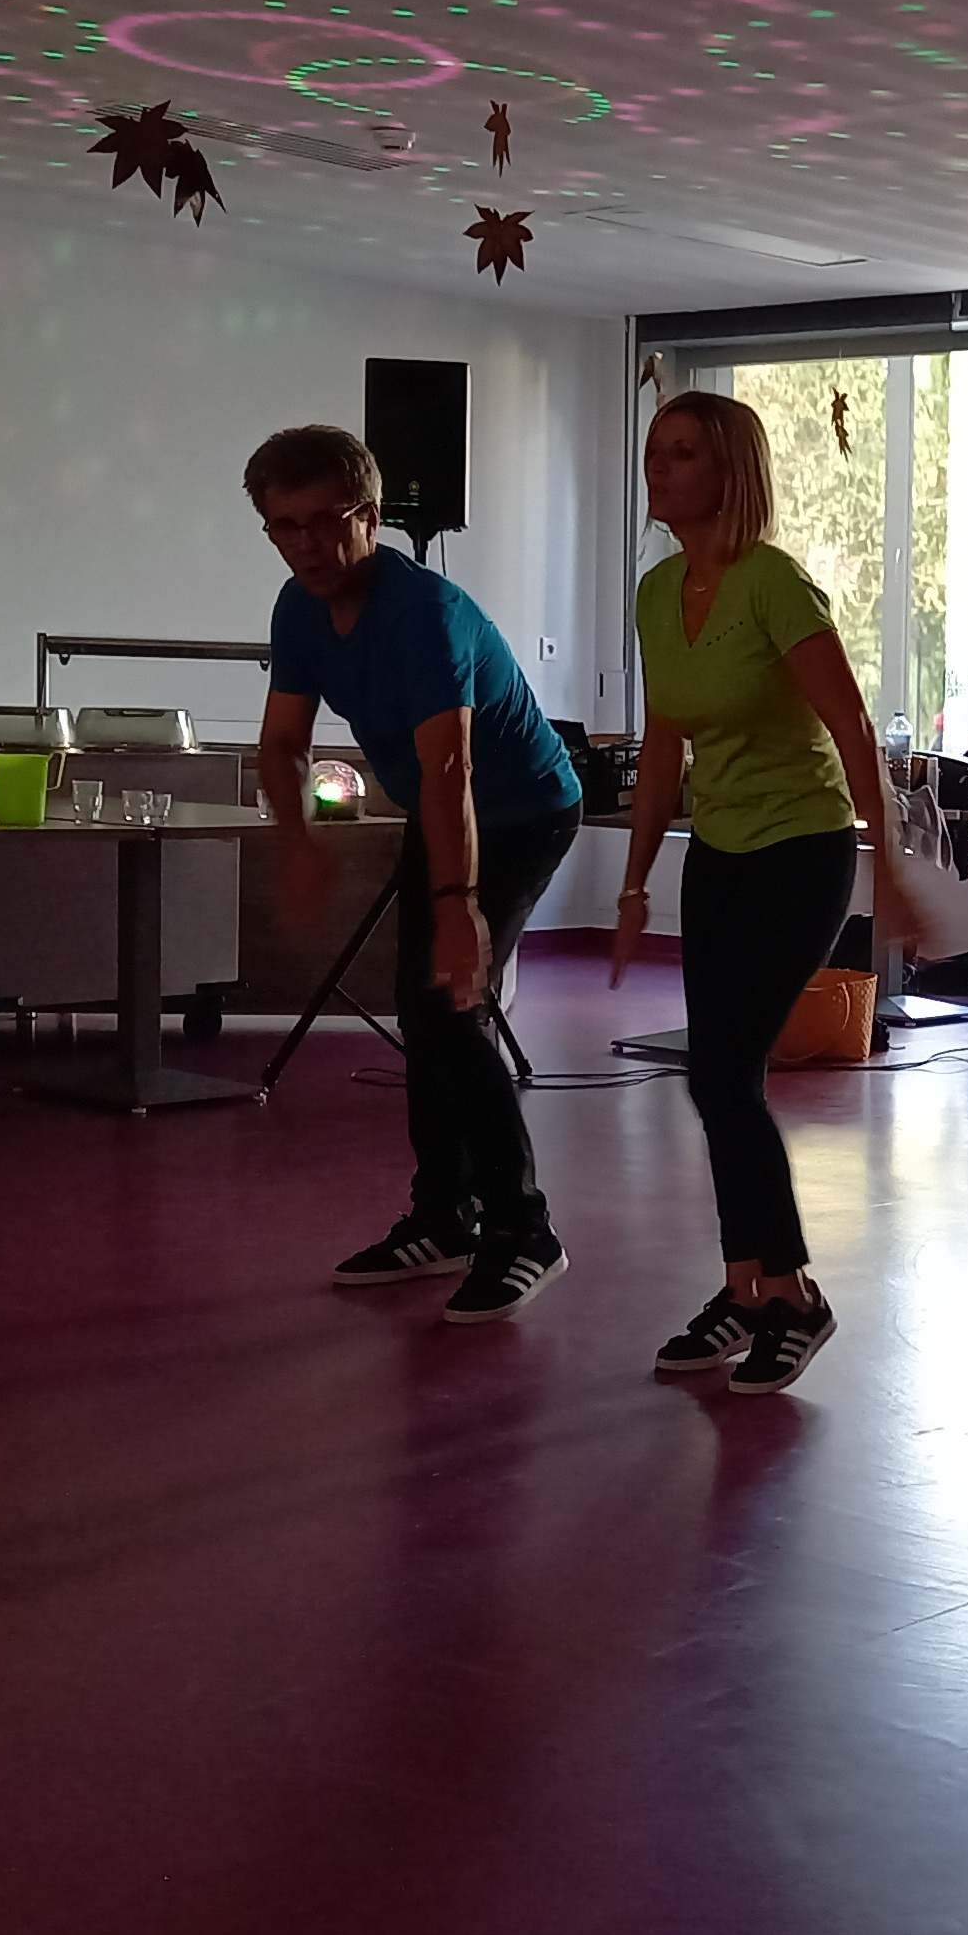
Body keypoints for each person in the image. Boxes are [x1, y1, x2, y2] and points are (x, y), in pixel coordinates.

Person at [611, 391, 926, 1396]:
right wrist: (631, 882)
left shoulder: (774, 585)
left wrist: (889, 869)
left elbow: (853, 727)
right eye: (655, 452)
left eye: (683, 454)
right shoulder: (658, 594)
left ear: (730, 472)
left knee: (724, 1074)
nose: (660, 470)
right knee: (718, 1079)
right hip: (719, 851)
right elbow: (664, 744)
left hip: (802, 851)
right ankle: (745, 1288)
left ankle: (791, 1295)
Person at [249, 425, 590, 1324]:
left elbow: (451, 772)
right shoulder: (298, 609)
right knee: (421, 1009)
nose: (307, 545)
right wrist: (296, 843)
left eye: (326, 522)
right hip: (442, 811)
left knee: (451, 1005)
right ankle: (445, 1215)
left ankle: (524, 1229)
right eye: (285, 527)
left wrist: (459, 907)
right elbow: (281, 743)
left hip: (524, 811)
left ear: (370, 517)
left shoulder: (424, 614)